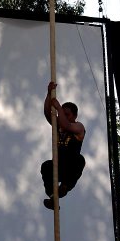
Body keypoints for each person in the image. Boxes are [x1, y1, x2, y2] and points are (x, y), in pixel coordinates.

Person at [41, 81, 85, 210]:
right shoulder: (58, 126)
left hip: (70, 168)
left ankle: (65, 186)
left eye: (67, 114)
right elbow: (47, 113)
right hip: (58, 166)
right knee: (46, 165)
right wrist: (49, 93)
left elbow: (67, 125)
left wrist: (59, 108)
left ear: (75, 116)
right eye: (62, 114)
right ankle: (53, 196)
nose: (63, 116)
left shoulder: (78, 127)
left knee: (80, 159)